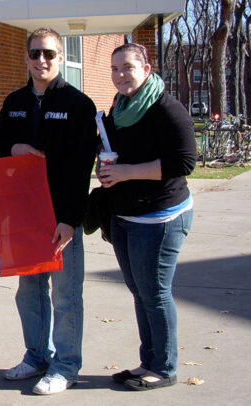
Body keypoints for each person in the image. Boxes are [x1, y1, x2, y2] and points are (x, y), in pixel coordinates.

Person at [0, 28, 97, 395]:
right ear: (25, 57)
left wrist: (69, 220)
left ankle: (66, 366)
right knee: (30, 291)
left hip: (60, 218)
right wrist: (15, 145)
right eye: (35, 53)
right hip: (24, 215)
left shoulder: (78, 105)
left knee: (65, 294)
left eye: (49, 54)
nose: (41, 61)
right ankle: (37, 355)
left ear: (60, 57)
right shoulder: (15, 101)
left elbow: (82, 167)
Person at [100, 43, 196, 391]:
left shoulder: (166, 108)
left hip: (161, 217)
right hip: (126, 216)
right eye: (114, 68)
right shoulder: (120, 108)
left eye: (127, 67)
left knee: (154, 293)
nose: (120, 75)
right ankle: (148, 361)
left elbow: (183, 163)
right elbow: (116, 149)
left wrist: (124, 172)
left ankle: (165, 368)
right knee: (140, 292)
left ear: (147, 68)